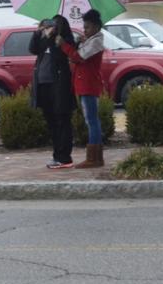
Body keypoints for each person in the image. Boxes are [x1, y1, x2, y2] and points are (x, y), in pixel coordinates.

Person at [55, 9, 106, 168]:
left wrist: (63, 45)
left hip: (89, 85)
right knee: (91, 120)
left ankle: (94, 158)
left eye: (88, 27)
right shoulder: (91, 39)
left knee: (92, 121)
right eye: (84, 27)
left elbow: (78, 57)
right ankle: (95, 156)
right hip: (84, 84)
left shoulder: (96, 42)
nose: (85, 30)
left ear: (97, 27)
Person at [30, 15, 76, 169]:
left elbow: (62, 55)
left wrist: (54, 36)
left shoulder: (64, 40)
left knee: (62, 120)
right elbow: (33, 49)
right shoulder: (45, 38)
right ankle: (56, 155)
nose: (51, 26)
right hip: (43, 84)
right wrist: (38, 32)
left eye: (55, 24)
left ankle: (64, 157)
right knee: (51, 121)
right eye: (50, 24)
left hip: (59, 85)